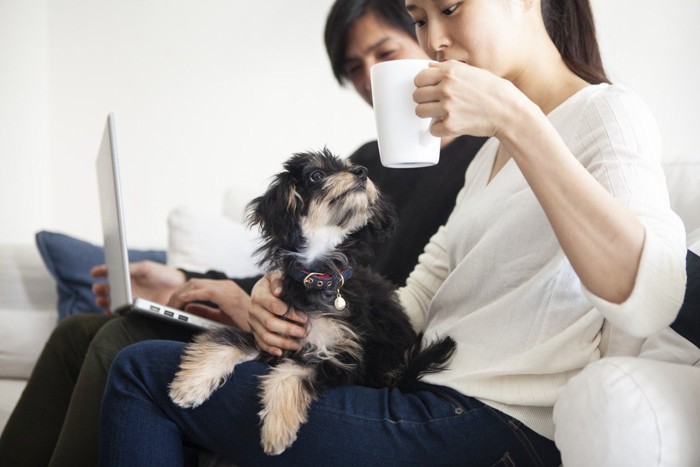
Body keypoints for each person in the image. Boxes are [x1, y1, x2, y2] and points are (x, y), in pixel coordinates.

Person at [98, 0, 688, 465]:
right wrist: (291, 301)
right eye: (419, 19)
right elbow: (412, 302)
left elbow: (653, 301)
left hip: (499, 427)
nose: (433, 42)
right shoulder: (487, 161)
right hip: (428, 397)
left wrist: (515, 117)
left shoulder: (606, 115)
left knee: (140, 373)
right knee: (150, 355)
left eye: (450, 8)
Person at [0, 1, 485, 465]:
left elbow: (382, 298)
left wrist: (258, 307)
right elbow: (302, 257)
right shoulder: (366, 159)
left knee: (119, 340)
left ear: (430, 41)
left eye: (384, 54)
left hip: (347, 339)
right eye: (354, 67)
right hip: (296, 313)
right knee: (73, 334)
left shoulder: (480, 159)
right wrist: (184, 279)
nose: (369, 78)